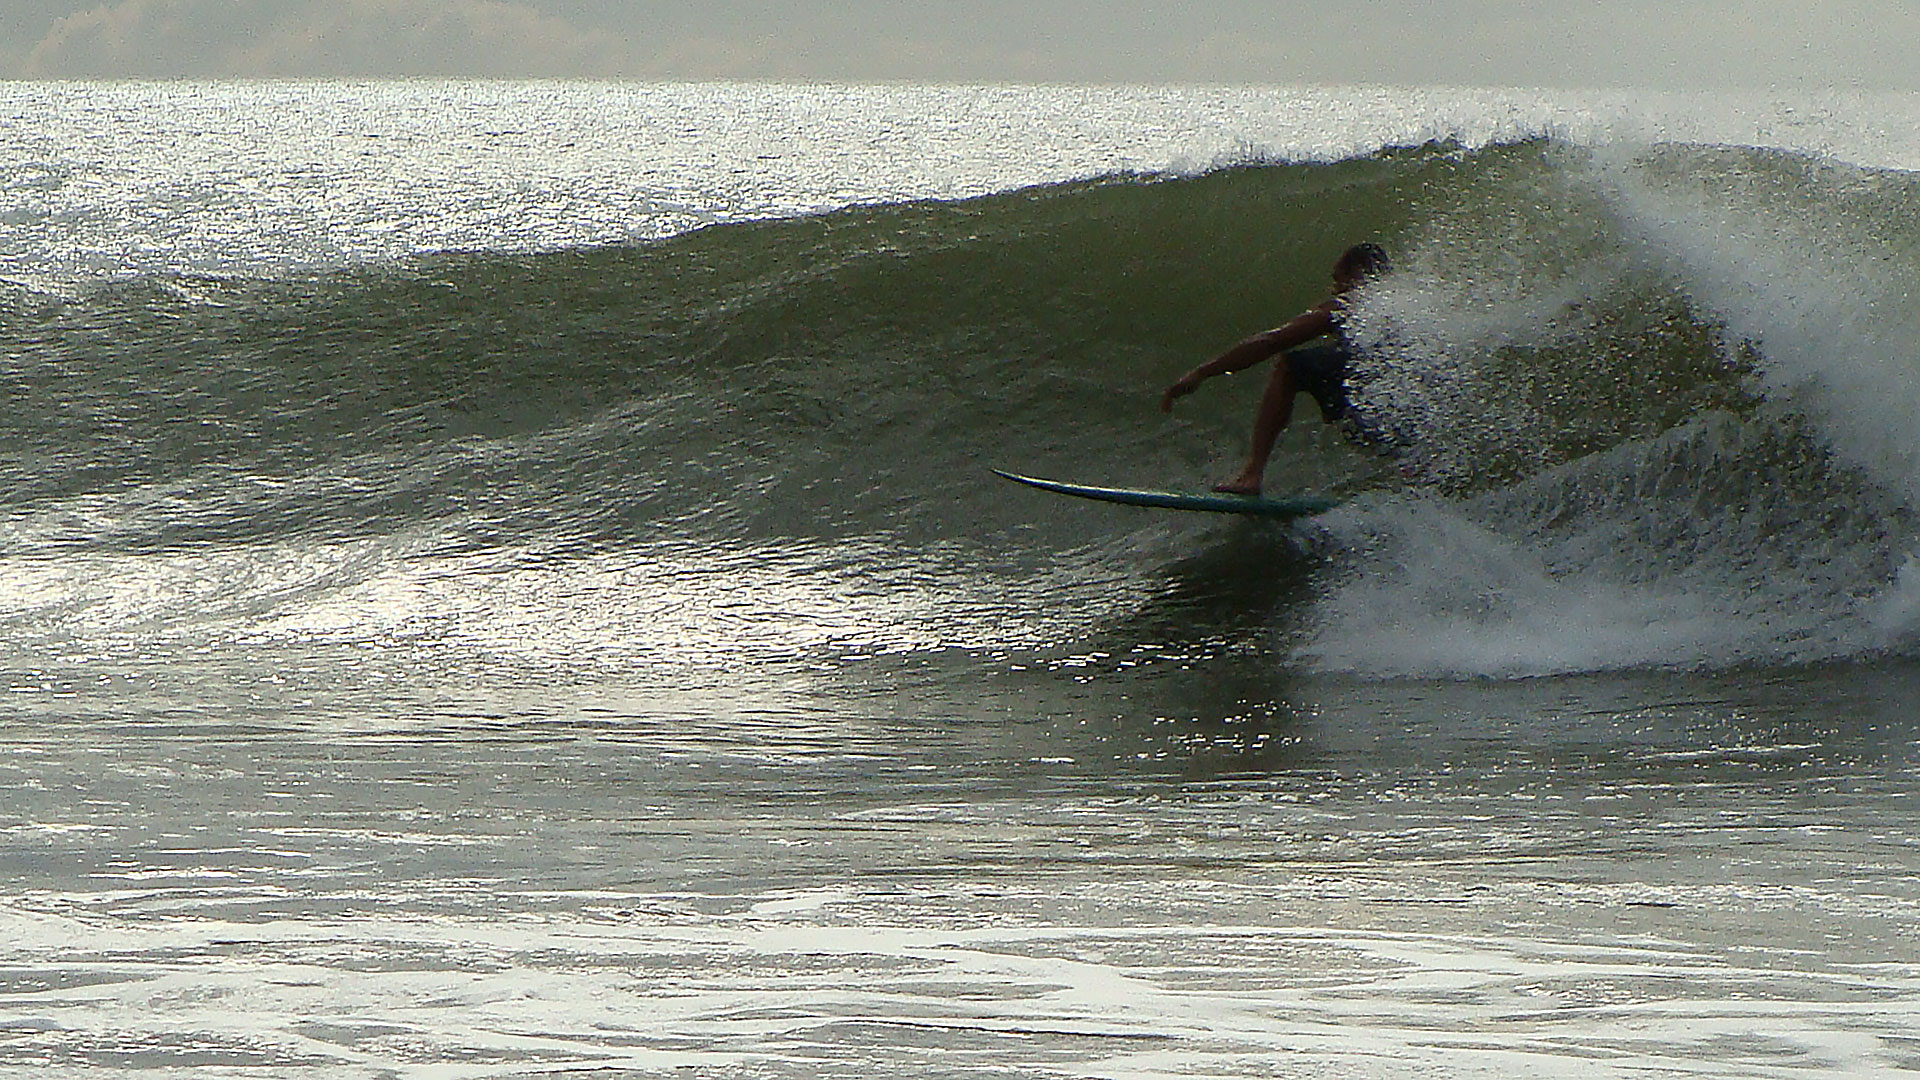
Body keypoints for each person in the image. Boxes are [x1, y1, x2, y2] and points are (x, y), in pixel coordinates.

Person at [1160, 243, 1393, 495]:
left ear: (1358, 274)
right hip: (1407, 411)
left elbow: (1271, 342)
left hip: (1376, 405)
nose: (1334, 290)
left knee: (1290, 367)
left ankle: (1252, 474)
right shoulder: (1411, 309)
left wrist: (1201, 373)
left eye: (1338, 280)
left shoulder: (1350, 304)